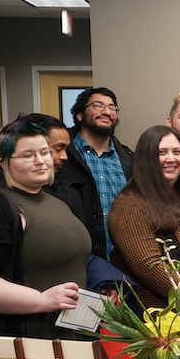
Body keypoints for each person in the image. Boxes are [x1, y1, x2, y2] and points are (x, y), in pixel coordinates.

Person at [0, 115, 92, 358]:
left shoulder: (56, 200)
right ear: (3, 162)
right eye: (27, 155)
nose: (41, 161)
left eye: (44, 152)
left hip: (69, 334)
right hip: (25, 343)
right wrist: (40, 300)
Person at [108, 126, 180, 312]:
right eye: (161, 152)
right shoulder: (129, 204)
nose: (171, 158)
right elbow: (149, 266)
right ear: (146, 160)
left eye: (177, 152)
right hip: (163, 321)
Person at [57, 87, 133, 260]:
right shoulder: (62, 156)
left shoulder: (130, 160)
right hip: (77, 262)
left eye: (112, 107)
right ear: (79, 115)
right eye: (98, 105)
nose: (107, 111)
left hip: (123, 265)